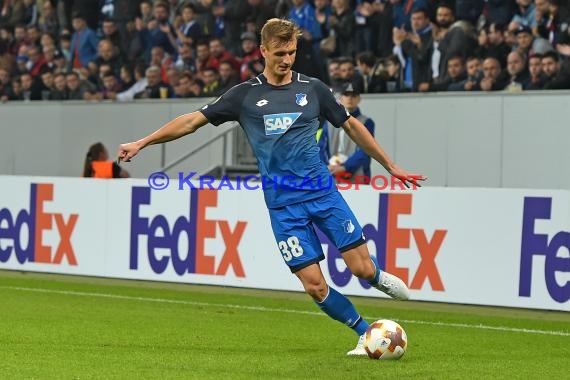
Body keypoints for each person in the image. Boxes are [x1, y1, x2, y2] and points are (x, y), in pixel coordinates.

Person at [117, 18, 423, 356]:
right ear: (263, 51)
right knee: (314, 286)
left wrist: (390, 165)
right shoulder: (245, 95)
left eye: (292, 52)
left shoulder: (314, 90)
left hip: (323, 195)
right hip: (282, 208)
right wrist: (142, 142)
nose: (287, 60)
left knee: (361, 269)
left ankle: (378, 276)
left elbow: (351, 127)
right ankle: (366, 333)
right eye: (279, 53)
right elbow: (191, 121)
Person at [326, 83, 374, 184]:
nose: (350, 98)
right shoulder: (329, 122)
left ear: (359, 99)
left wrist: (345, 167)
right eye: (346, 95)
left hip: (357, 178)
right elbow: (320, 148)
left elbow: (366, 150)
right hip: (331, 176)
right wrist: (326, 166)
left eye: (354, 95)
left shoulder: (367, 122)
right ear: (340, 98)